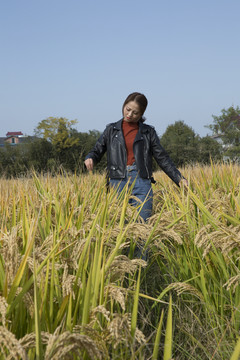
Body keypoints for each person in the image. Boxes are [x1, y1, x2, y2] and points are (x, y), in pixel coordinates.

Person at [84, 91, 188, 229]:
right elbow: (97, 150)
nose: (130, 115)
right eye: (128, 109)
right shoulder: (111, 130)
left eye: (135, 113)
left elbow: (162, 158)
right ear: (124, 105)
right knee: (118, 229)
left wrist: (179, 178)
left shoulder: (148, 132)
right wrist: (90, 158)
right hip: (117, 182)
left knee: (142, 228)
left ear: (141, 114)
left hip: (141, 181)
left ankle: (142, 252)